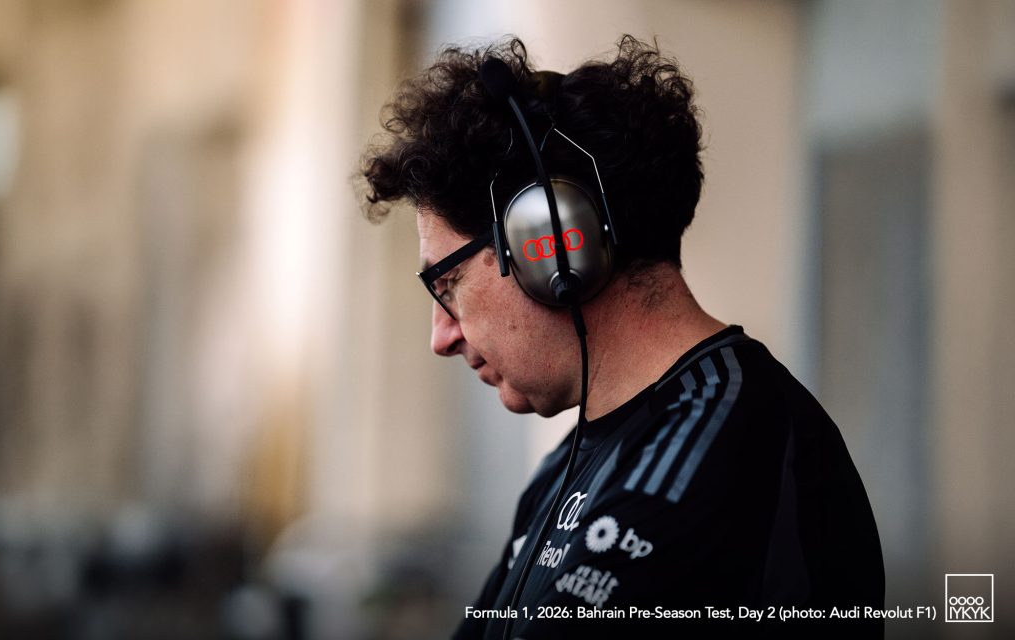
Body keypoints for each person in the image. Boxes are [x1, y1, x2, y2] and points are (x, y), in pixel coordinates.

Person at [360, 35, 884, 639]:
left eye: (447, 283)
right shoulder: (571, 464)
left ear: (552, 246)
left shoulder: (714, 449)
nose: (442, 336)